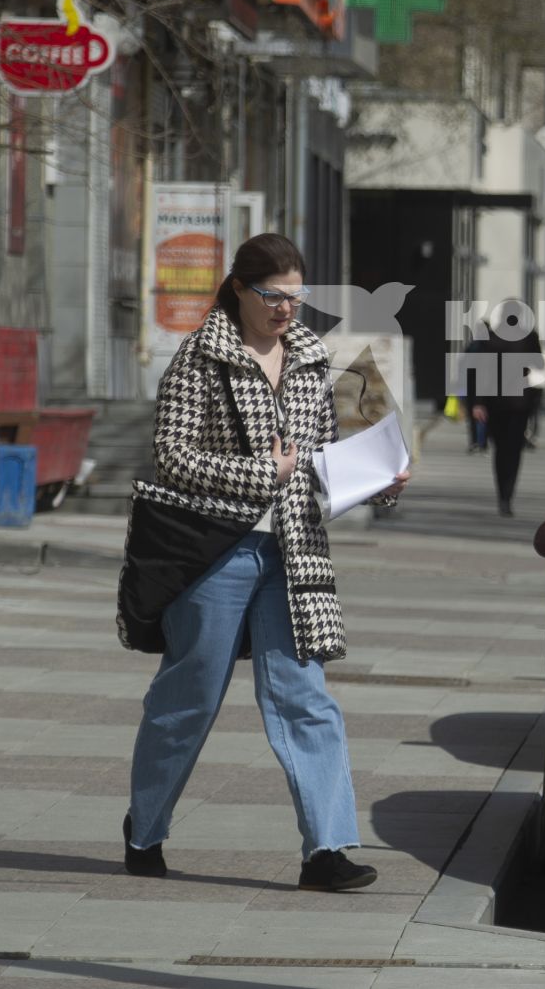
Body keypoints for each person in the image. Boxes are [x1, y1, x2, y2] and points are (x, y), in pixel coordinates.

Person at [124, 233, 409, 890]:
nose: (286, 308)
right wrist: (261, 471)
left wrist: (382, 480)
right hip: (215, 550)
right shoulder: (201, 358)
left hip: (295, 549)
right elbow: (172, 455)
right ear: (240, 289)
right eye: (272, 295)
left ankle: (327, 849)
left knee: (305, 697)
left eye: (294, 295)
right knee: (189, 697)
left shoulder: (322, 358)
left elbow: (344, 451)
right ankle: (145, 826)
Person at [466, 301, 545, 517]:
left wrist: (478, 403)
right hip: (519, 403)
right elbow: (539, 364)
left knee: (501, 450)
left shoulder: (490, 338)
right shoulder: (529, 336)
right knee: (513, 450)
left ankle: (502, 493)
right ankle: (507, 495)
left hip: (495, 402)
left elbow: (478, 372)